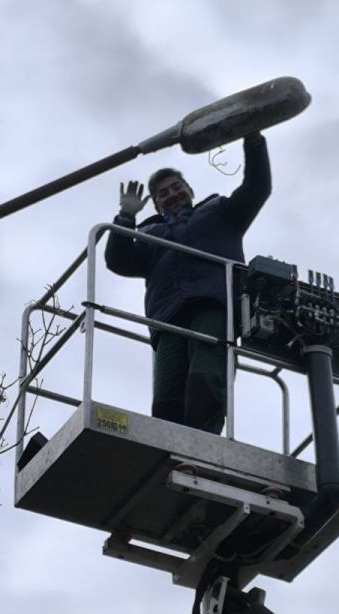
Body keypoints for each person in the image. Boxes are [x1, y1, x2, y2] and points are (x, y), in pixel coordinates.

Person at [104, 132, 271, 434]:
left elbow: (257, 187)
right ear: (156, 204)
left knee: (205, 376)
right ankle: (170, 447)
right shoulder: (150, 234)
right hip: (168, 316)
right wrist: (125, 218)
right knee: (168, 390)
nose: (172, 194)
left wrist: (253, 139)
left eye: (176, 187)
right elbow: (118, 261)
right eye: (163, 193)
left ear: (189, 189)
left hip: (213, 305)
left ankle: (202, 446)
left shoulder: (220, 212)